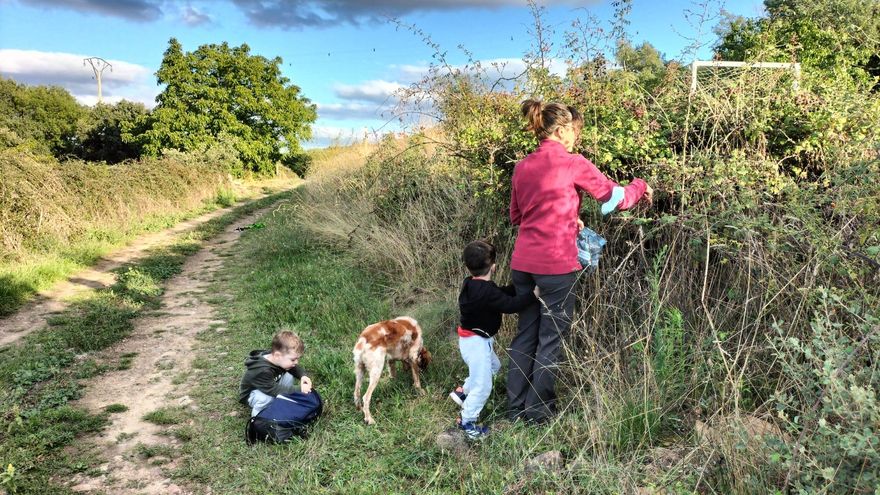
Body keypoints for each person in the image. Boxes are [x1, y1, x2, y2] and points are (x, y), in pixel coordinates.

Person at [506, 99, 653, 424]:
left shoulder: (522, 166)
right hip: (555, 265)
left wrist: (564, 218)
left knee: (526, 334)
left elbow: (517, 216)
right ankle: (538, 414)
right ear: (561, 130)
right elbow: (618, 200)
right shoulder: (573, 163)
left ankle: (515, 407)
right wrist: (641, 186)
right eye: (574, 131)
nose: (576, 137)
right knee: (550, 338)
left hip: (523, 264)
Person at [450, 240, 538, 440]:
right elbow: (509, 304)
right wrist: (533, 294)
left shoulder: (470, 283)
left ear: (467, 267)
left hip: (472, 341)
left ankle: (463, 392)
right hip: (476, 344)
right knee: (484, 385)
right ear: (494, 267)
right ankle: (466, 421)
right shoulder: (487, 291)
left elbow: (498, 295)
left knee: (493, 367)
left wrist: (515, 288)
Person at [239, 329, 313, 417]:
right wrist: (299, 389)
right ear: (277, 355)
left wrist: (303, 376)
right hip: (252, 394)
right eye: (293, 359)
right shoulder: (262, 370)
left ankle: (283, 400)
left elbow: (293, 368)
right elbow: (274, 390)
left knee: (288, 374)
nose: (296, 362)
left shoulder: (278, 359)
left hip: (269, 385)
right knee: (266, 398)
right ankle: (259, 418)